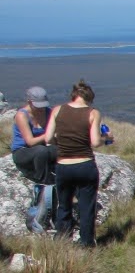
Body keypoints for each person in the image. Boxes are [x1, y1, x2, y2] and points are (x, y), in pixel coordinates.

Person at [43, 79, 110, 247]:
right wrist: (106, 138)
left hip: (63, 166)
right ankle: (86, 244)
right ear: (89, 98)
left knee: (64, 205)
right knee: (86, 208)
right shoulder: (92, 113)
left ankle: (63, 242)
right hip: (85, 164)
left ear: (73, 96)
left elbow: (48, 138)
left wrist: (62, 142)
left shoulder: (57, 110)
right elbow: (95, 142)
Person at [10, 86, 57, 233]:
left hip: (42, 149)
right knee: (41, 151)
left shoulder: (48, 113)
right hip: (23, 151)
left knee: (59, 151)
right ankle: (41, 187)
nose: (41, 109)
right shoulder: (21, 115)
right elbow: (29, 141)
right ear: (29, 102)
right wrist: (49, 136)